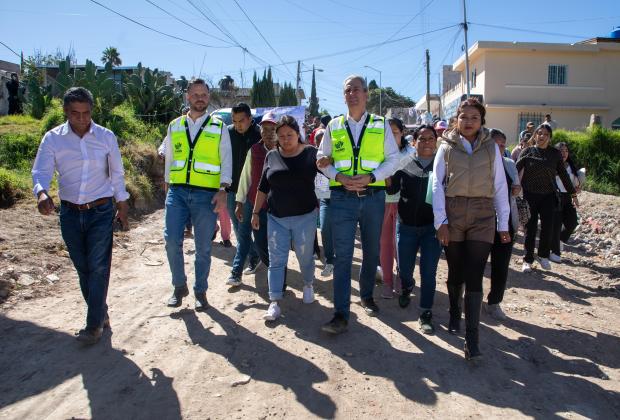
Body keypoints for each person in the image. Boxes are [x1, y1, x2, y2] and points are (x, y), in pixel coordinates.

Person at [32, 87, 130, 345]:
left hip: (100, 209)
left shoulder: (106, 137)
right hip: (70, 213)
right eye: (75, 114)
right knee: (82, 267)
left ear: (91, 111)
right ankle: (101, 312)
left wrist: (122, 203)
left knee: (98, 266)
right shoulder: (53, 139)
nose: (82, 119)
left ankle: (93, 325)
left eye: (86, 113)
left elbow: (117, 173)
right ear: (65, 112)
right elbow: (40, 172)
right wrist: (42, 193)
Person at [317, 74, 400, 334]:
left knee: (371, 251)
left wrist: (372, 177)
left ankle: (366, 296)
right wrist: (338, 176)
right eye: (347, 90)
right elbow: (321, 157)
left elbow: (393, 159)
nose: (352, 94)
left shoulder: (380, 124)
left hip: (373, 197)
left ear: (366, 94)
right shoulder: (334, 125)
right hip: (342, 198)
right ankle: (341, 313)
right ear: (344, 96)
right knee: (343, 256)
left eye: (357, 90)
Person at [432, 98, 510, 360]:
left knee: (475, 273)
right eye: (463, 117)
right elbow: (437, 185)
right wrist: (440, 221)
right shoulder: (446, 146)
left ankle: (472, 339)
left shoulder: (491, 148)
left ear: (482, 120)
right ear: (456, 119)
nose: (468, 122)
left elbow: (500, 185)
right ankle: (454, 311)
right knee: (456, 270)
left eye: (474, 117)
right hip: (453, 212)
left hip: (482, 214)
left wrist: (503, 222)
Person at [162, 78, 231, 311]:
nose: (199, 98)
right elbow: (170, 157)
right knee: (172, 240)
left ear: (208, 98)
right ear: (187, 97)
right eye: (195, 94)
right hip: (177, 191)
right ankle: (179, 285)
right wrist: (166, 184)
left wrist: (223, 189)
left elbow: (226, 160)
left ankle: (200, 291)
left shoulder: (218, 127)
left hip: (206, 195)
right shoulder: (175, 125)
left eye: (203, 94)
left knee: (203, 247)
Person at [252, 115, 318, 321]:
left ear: (298, 134)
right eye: (281, 136)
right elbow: (263, 186)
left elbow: (328, 174)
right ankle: (274, 302)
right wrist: (255, 212)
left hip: (305, 217)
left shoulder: (311, 153)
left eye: (290, 135)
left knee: (305, 256)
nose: (286, 139)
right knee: (276, 260)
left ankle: (308, 284)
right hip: (276, 218)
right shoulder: (271, 156)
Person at [387, 124, 441, 334]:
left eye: (431, 138)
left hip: (432, 229)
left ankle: (426, 311)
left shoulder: (441, 165)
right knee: (406, 269)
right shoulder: (405, 163)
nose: (427, 142)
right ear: (414, 142)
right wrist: (386, 169)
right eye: (422, 139)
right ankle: (407, 287)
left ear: (436, 142)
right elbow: (391, 189)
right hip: (406, 226)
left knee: (429, 272)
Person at [516, 124, 576, 272]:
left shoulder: (554, 154)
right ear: (535, 135)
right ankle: (527, 260)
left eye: (545, 134)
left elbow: (563, 174)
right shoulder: (527, 151)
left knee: (547, 228)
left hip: (549, 196)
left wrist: (573, 193)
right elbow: (515, 169)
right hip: (530, 195)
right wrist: (510, 186)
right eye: (539, 133)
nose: (541, 136)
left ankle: (543, 256)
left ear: (550, 138)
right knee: (530, 229)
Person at [235, 112, 280, 284]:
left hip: (279, 209)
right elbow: (246, 177)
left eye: (273, 129)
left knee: (277, 245)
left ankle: (276, 277)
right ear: (260, 131)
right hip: (257, 208)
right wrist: (239, 201)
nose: (269, 133)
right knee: (261, 245)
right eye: (265, 129)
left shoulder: (285, 150)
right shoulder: (254, 150)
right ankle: (271, 267)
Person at [227, 103, 262, 286]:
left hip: (251, 192)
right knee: (238, 227)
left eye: (242, 121)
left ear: (250, 118)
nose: (238, 125)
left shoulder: (259, 135)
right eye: (235, 121)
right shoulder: (228, 133)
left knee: (244, 230)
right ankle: (255, 255)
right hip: (231, 189)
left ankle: (237, 270)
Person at [488, 129, 521, 321]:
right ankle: (469, 299)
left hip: (506, 223)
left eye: (502, 145)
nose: (500, 148)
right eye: (496, 144)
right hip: (482, 222)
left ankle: (494, 302)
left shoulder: (509, 164)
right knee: (474, 264)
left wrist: (517, 189)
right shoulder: (480, 164)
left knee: (501, 266)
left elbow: (515, 192)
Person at [379, 117, 409, 299]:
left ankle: (403, 279)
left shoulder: (411, 153)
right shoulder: (377, 155)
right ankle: (387, 282)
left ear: (402, 132)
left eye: (394, 133)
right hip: (382, 203)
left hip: (404, 204)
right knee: (385, 245)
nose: (390, 137)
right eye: (386, 134)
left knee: (401, 245)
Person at [550, 142, 582, 262]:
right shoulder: (552, 165)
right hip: (554, 197)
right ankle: (555, 253)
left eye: (566, 151)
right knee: (556, 225)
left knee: (572, 222)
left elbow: (575, 184)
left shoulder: (572, 166)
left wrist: (577, 190)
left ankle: (560, 241)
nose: (564, 153)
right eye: (561, 150)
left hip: (568, 198)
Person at [313, 129, 335, 277]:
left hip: (343, 197)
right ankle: (330, 261)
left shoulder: (338, 157)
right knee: (325, 228)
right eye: (318, 141)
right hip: (325, 198)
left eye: (323, 140)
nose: (321, 143)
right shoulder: (314, 157)